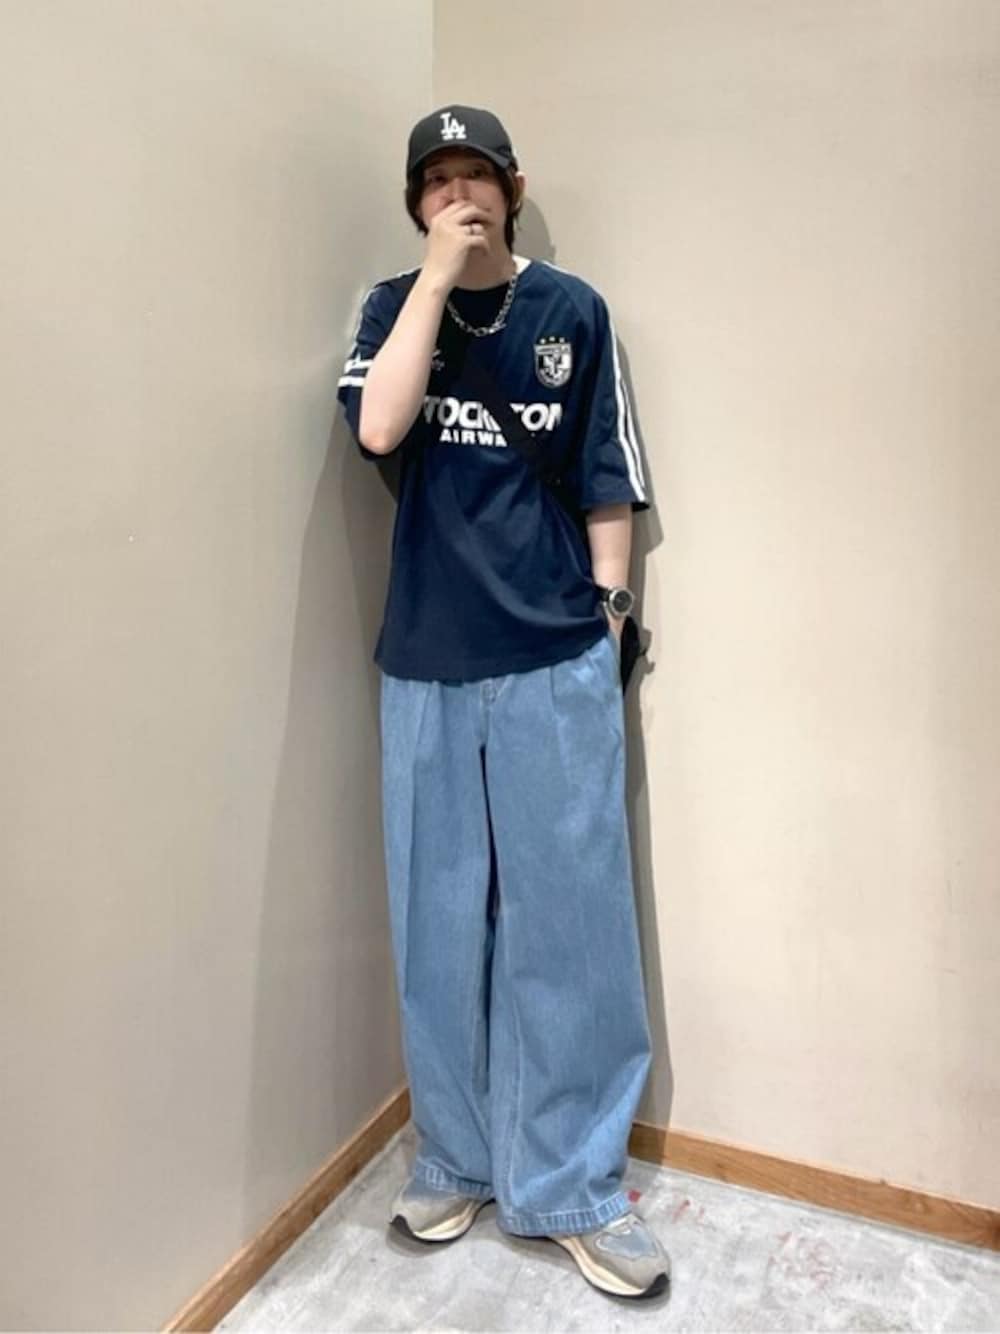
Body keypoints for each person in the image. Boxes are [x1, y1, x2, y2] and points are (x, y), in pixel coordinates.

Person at [336, 105, 669, 1301]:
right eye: (437, 180)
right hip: (425, 661)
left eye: (476, 174)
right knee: (436, 924)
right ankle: (456, 1157)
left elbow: (606, 476)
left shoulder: (572, 310)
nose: (459, 194)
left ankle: (574, 1184)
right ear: (415, 202)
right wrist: (433, 280)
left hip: (553, 655)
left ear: (513, 188)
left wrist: (610, 611)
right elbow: (380, 424)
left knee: (571, 926)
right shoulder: (390, 309)